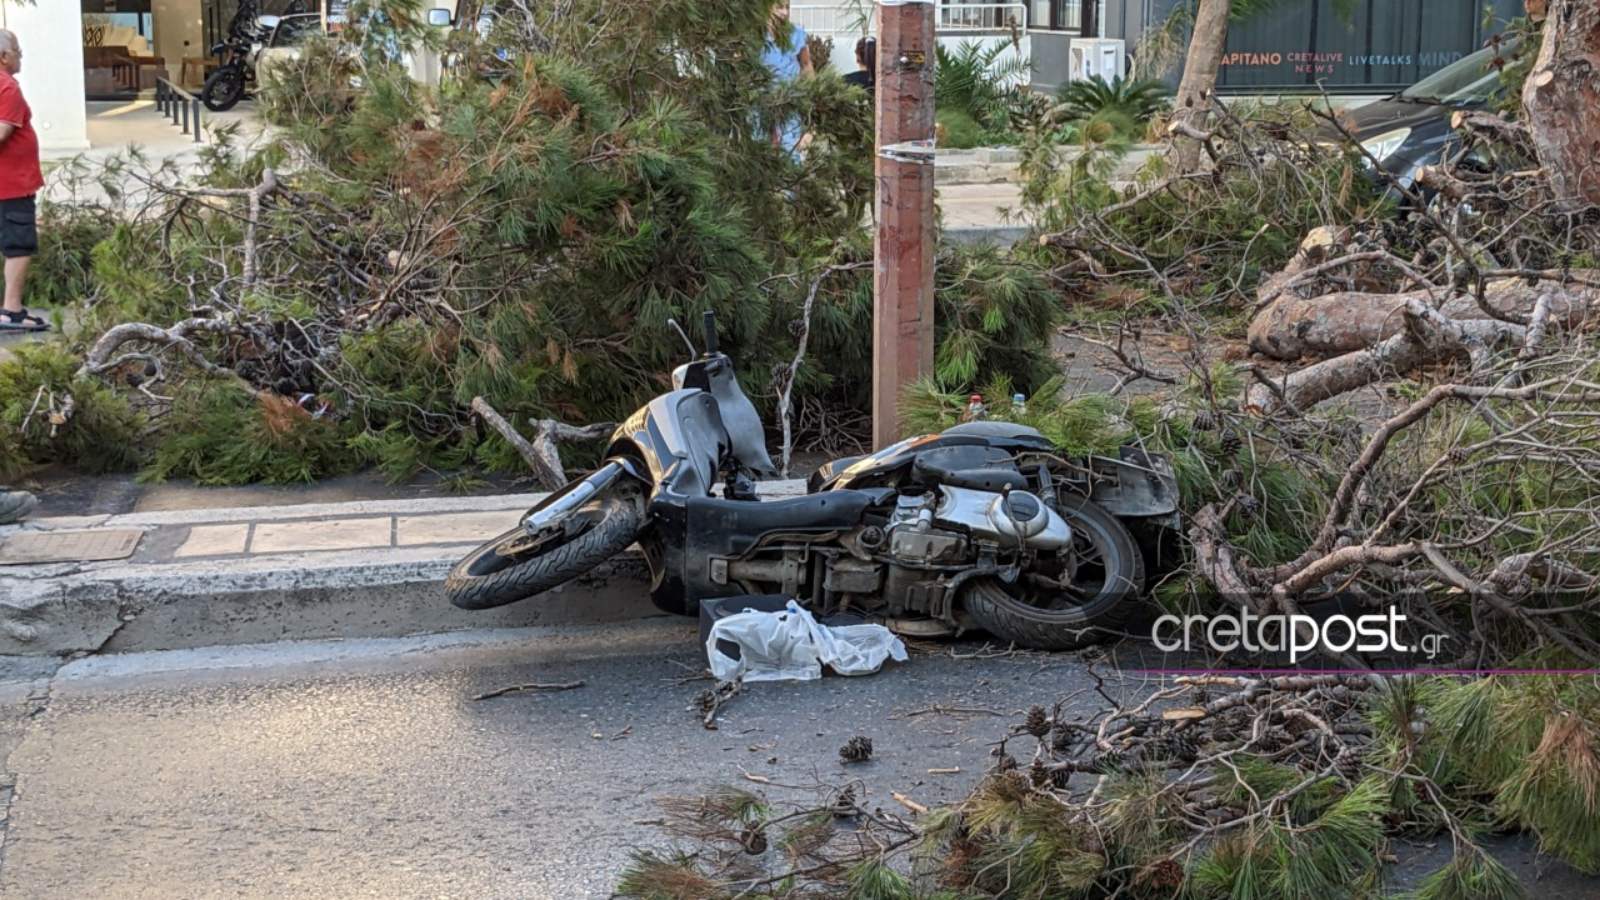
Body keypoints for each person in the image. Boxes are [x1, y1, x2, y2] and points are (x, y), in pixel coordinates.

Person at [0, 29, 47, 333]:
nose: (21, 56)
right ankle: (11, 312)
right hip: (12, 185)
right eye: (17, 51)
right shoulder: (7, 87)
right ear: (3, 57)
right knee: (19, 245)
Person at [761, 1, 813, 155]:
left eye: (787, 7)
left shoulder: (796, 33)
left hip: (790, 101)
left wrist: (814, 96)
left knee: (790, 150)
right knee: (761, 152)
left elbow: (806, 65)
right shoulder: (755, 36)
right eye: (779, 7)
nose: (785, 12)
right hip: (760, 102)